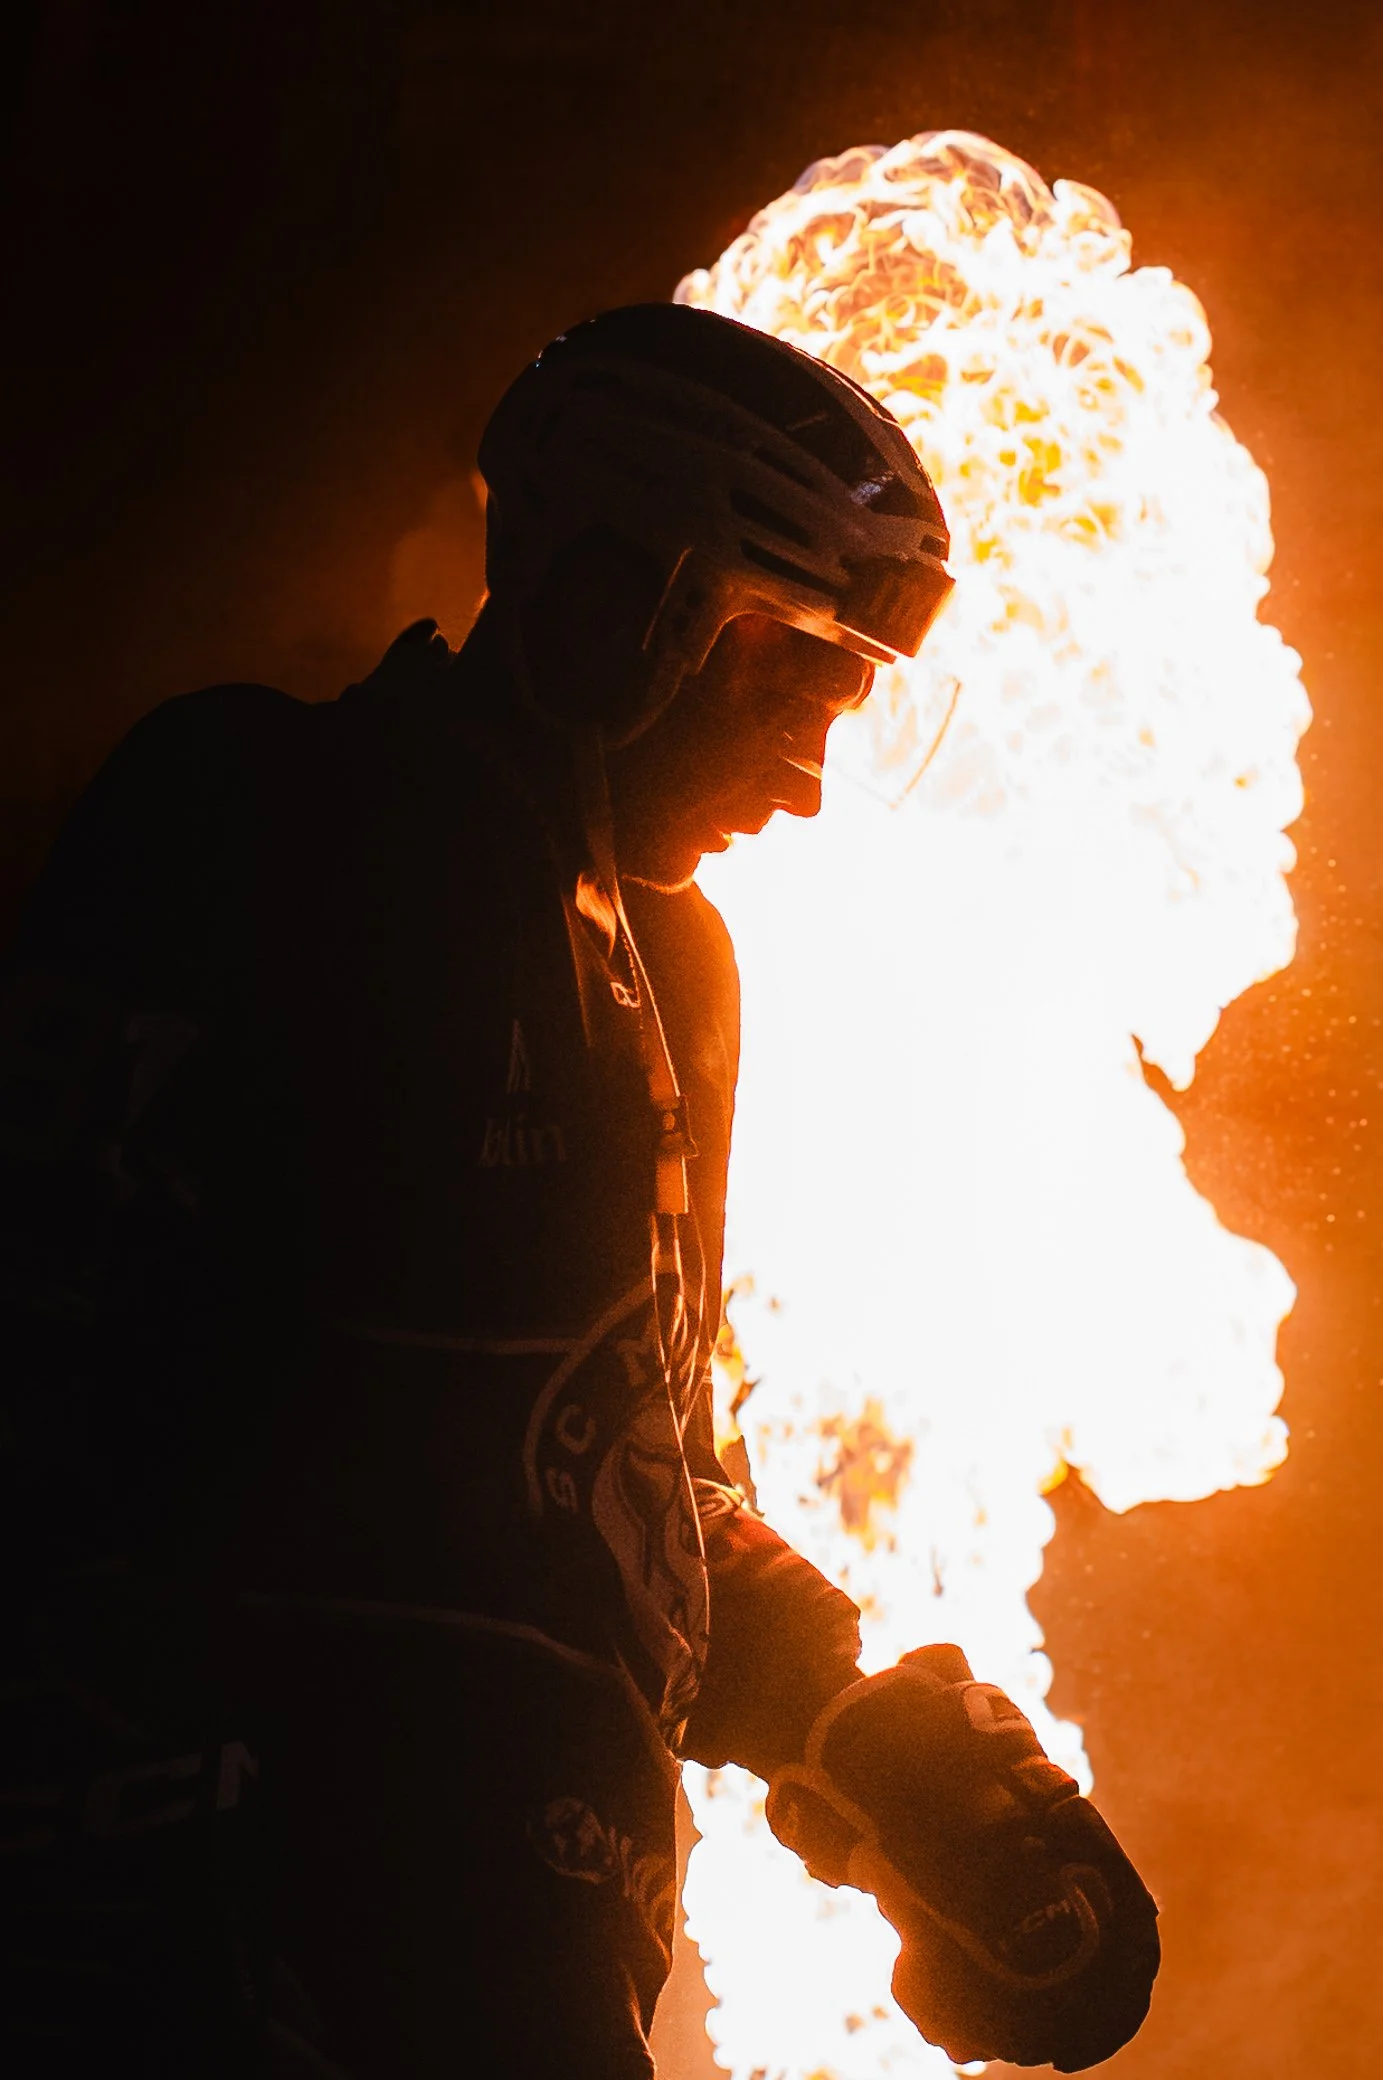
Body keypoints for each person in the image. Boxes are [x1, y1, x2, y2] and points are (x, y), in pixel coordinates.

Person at [0, 303, 1159, 2077]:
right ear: (636, 601)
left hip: (524, 1944)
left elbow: (629, 1466)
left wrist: (859, 1735)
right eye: (789, 683)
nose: (808, 781)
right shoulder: (259, 812)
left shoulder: (682, 973)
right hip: (208, 1912)